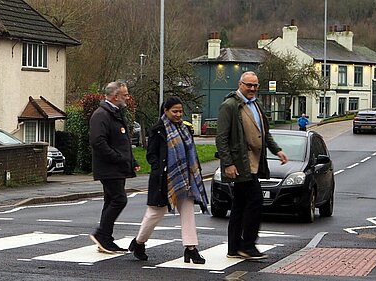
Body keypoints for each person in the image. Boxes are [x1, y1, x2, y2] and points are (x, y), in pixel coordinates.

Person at [216, 71, 288, 260]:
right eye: (249, 85)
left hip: (255, 164)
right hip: (241, 165)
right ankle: (248, 245)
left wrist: (277, 150)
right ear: (240, 84)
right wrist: (228, 163)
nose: (253, 89)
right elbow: (221, 138)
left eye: (255, 85)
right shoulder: (230, 106)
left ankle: (234, 248)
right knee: (255, 201)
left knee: (239, 205)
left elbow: (265, 133)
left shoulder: (256, 104)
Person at [129, 96, 208, 264]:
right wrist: (161, 169)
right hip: (164, 180)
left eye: (180, 111)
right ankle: (139, 243)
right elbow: (151, 155)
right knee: (155, 214)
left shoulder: (185, 129)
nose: (178, 114)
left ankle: (191, 249)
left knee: (188, 213)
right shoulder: (158, 129)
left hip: (185, 178)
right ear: (166, 111)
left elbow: (190, 152)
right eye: (175, 111)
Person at [89, 81, 140, 254]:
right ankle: (102, 234)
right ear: (115, 96)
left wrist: (131, 161)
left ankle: (105, 240)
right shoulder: (102, 115)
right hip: (109, 168)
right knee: (119, 200)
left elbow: (122, 142)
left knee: (111, 201)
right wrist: (117, 158)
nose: (128, 97)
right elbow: (98, 142)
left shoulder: (115, 113)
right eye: (125, 95)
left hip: (116, 167)